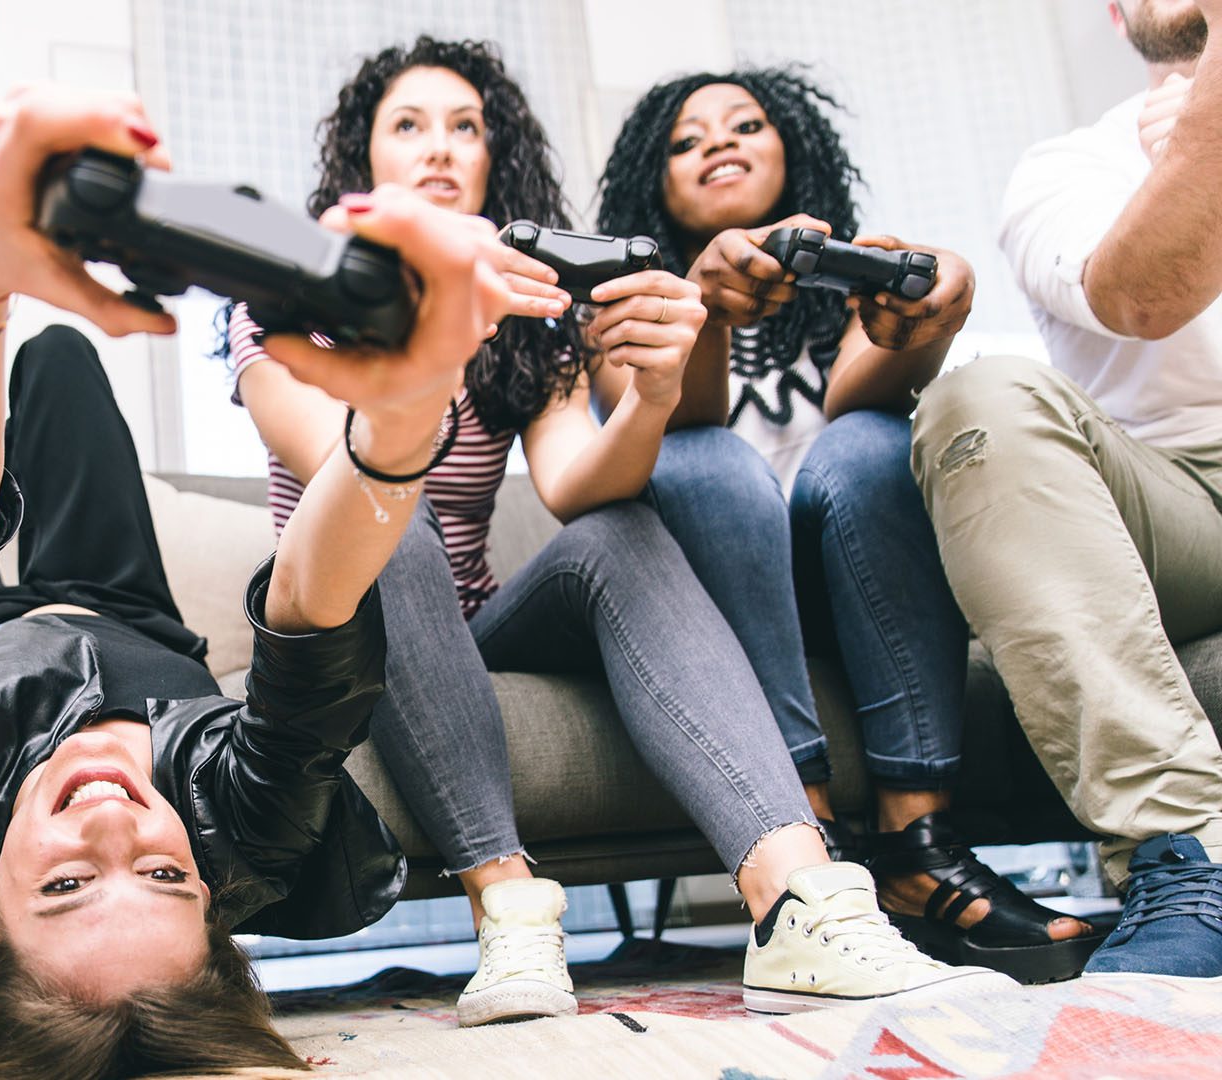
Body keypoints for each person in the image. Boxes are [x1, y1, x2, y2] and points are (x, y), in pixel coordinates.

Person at [226, 36, 1012, 1022]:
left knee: (619, 536)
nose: (440, 147)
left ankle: (800, 901)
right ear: (365, 162)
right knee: (393, 520)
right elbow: (346, 468)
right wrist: (431, 334)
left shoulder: (529, 315)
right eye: (410, 126)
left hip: (471, 623)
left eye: (465, 128)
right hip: (334, 614)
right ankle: (508, 912)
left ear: (493, 160)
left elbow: (575, 486)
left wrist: (650, 394)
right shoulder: (285, 298)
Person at [0, 84, 523, 1078]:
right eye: (161, 872)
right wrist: (405, 424)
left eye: (65, 885)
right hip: (131, 617)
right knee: (65, 354)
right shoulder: (245, 830)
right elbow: (311, 630)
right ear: (211, 893)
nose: (113, 813)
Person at [592, 68, 1100, 983]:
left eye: (745, 123)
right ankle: (814, 855)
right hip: (717, 602)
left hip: (847, 586)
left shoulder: (855, 277)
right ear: (653, 181)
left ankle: (920, 853)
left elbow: (858, 421)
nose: (718, 142)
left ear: (792, 147)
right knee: (705, 462)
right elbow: (673, 425)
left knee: (869, 442)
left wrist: (928, 327)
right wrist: (699, 302)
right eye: (686, 139)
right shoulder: (628, 296)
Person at [909, 0, 1222, 980]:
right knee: (976, 398)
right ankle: (1186, 859)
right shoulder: (1066, 168)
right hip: (1176, 502)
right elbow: (1139, 296)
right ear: (1119, 16)